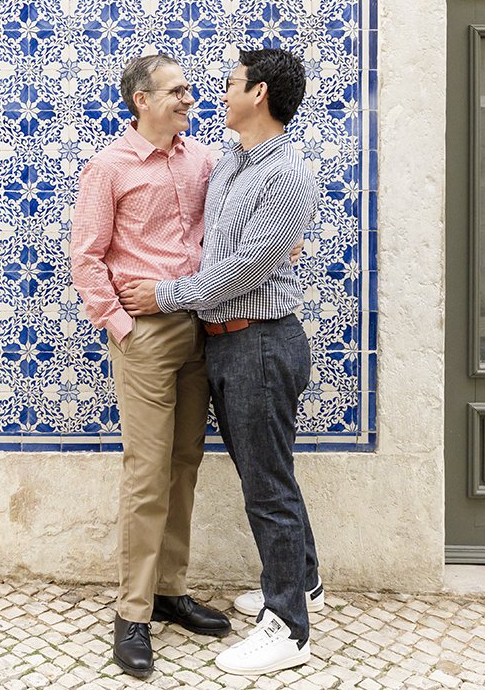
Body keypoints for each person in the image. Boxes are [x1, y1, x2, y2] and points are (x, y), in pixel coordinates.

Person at [119, 47, 322, 677]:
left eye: (230, 82)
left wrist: (163, 295)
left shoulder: (286, 176)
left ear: (258, 94)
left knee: (267, 488)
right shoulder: (232, 156)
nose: (214, 92)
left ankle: (288, 627)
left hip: (260, 339)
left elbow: (237, 273)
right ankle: (304, 582)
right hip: (228, 343)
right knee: (266, 473)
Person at [69, 53, 231, 679]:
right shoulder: (108, 167)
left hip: (201, 326)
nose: (189, 99)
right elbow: (87, 256)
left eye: (189, 91)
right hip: (145, 335)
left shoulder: (204, 161)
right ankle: (132, 613)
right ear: (141, 99)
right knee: (146, 471)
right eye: (177, 91)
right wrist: (121, 327)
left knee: (185, 462)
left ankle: (169, 590)